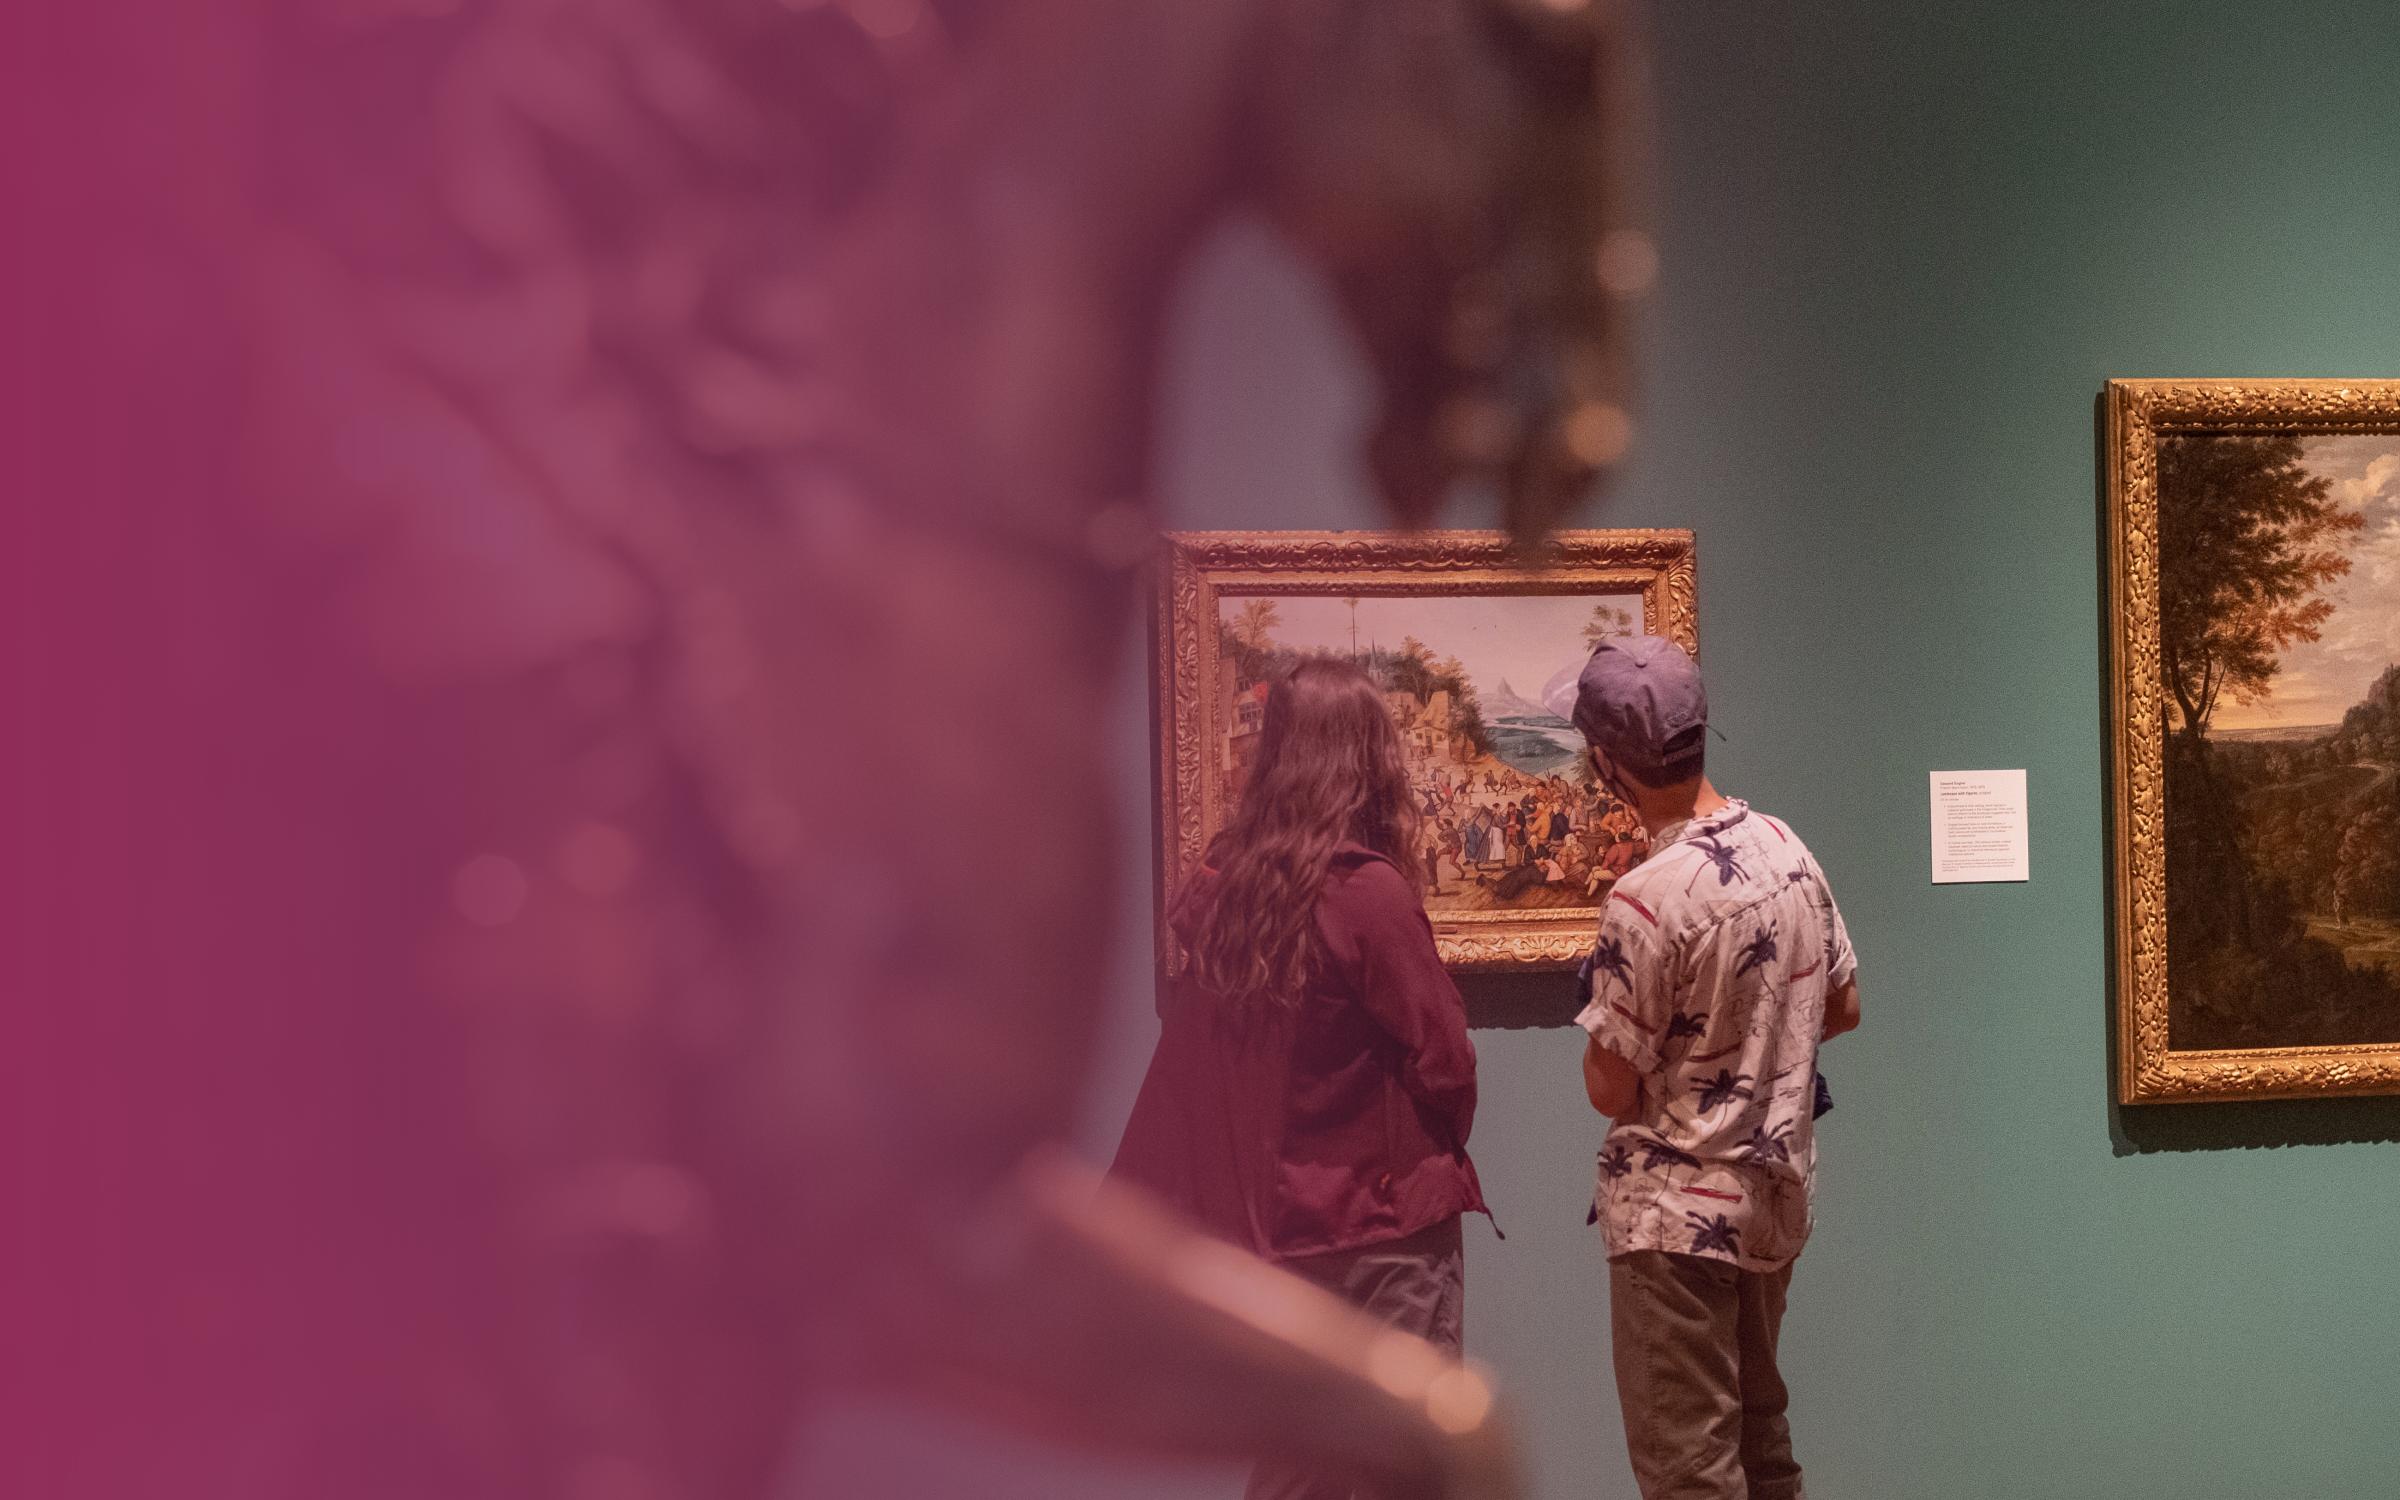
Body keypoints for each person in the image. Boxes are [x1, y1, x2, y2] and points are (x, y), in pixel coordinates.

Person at [1113, 657, 1490, 1500]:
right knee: (1406, 1465)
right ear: (1366, 758)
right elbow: (1447, 1060)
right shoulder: (1368, 896)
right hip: (1385, 1228)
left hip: (1277, 1230)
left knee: (1295, 1472)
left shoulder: (1226, 889)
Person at [1562, 637, 1861, 1500]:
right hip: (1771, 1202)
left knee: (1689, 1471)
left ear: (1608, 763)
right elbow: (1843, 1006)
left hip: (1677, 1223)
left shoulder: (1646, 900)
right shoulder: (1785, 848)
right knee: (1763, 1449)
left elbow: (1609, 1085)